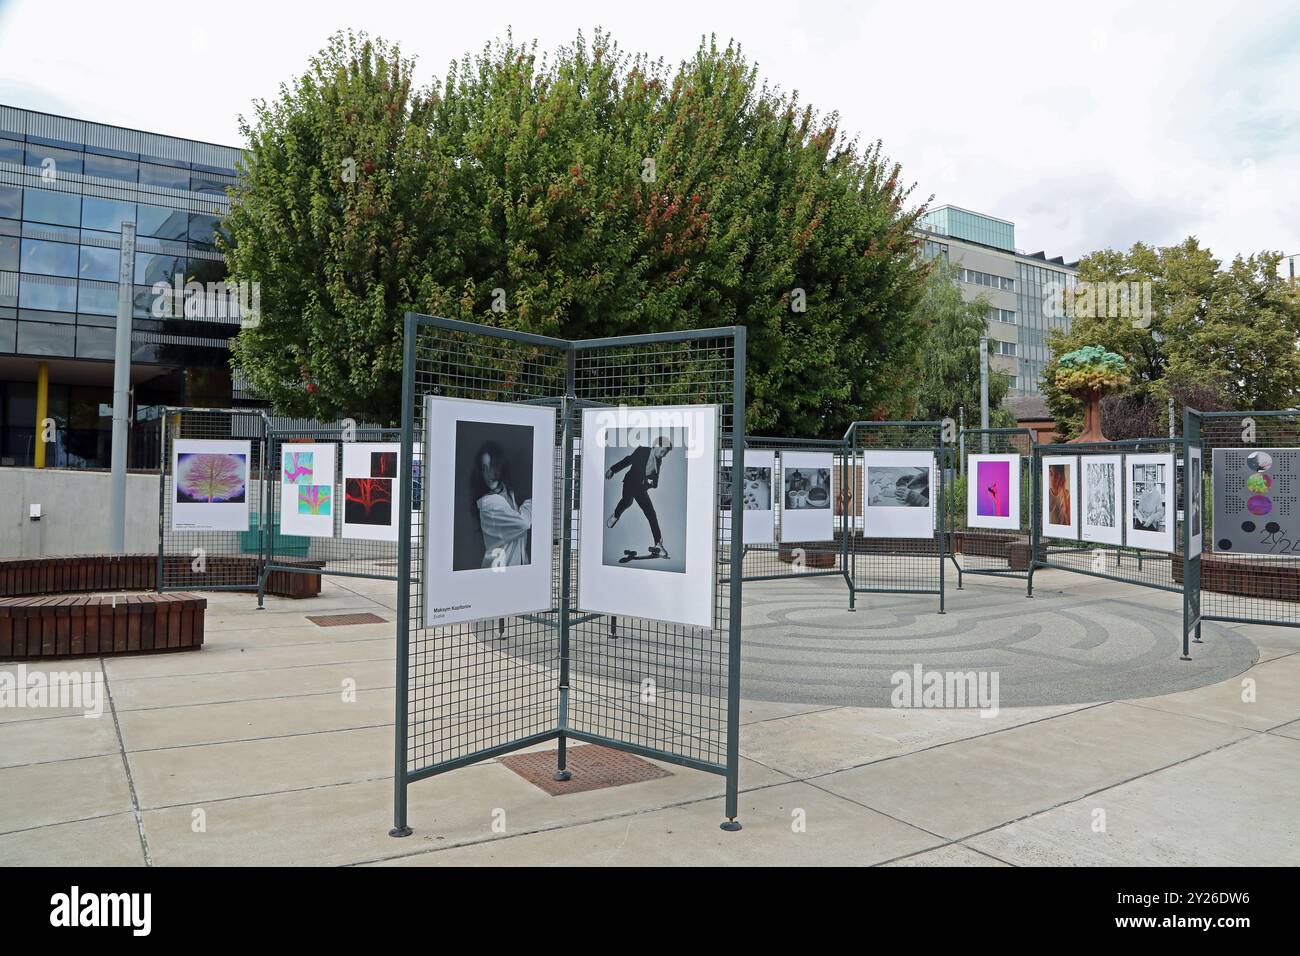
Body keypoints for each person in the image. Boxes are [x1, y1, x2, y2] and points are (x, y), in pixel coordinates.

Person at [606, 434, 673, 558]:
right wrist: (613, 469)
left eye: (665, 453)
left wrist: (650, 483)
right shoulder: (642, 450)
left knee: (651, 513)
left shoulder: (659, 461)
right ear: (657, 446)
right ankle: (615, 515)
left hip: (640, 489)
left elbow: (655, 482)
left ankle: (658, 543)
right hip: (630, 482)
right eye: (663, 451)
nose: (663, 455)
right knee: (627, 502)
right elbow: (628, 460)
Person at [469, 441, 532, 568]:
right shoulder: (489, 503)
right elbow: (524, 523)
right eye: (483, 468)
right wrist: (531, 503)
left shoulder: (510, 494)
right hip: (497, 572)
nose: (488, 474)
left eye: (491, 466)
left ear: (500, 466)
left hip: (513, 573)